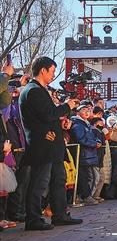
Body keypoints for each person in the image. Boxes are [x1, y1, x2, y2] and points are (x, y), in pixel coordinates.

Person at [19, 57, 82, 230]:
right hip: (42, 143)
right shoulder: (33, 90)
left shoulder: (41, 90)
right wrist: (67, 106)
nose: (54, 75)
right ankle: (33, 218)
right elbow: (48, 114)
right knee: (40, 181)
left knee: (58, 179)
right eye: (53, 71)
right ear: (43, 71)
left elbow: (49, 116)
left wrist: (61, 122)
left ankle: (60, 214)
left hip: (53, 142)